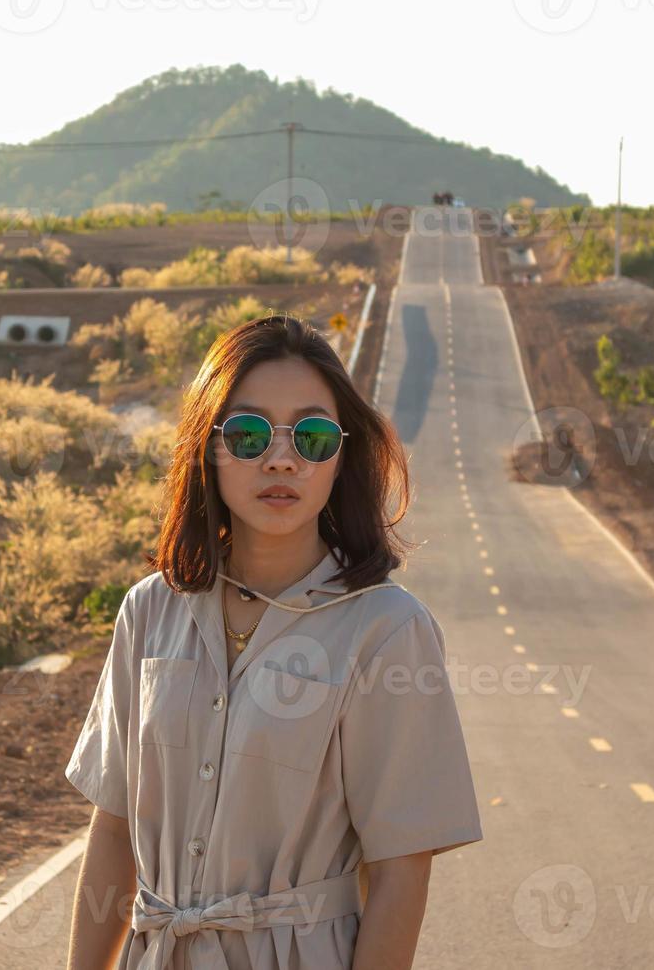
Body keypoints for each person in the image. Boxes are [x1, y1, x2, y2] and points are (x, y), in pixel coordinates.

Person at [64, 313, 483, 969]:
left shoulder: (384, 631)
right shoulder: (150, 611)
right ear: (209, 445)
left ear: (341, 456)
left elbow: (400, 870)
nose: (281, 458)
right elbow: (114, 828)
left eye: (312, 436)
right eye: (249, 433)